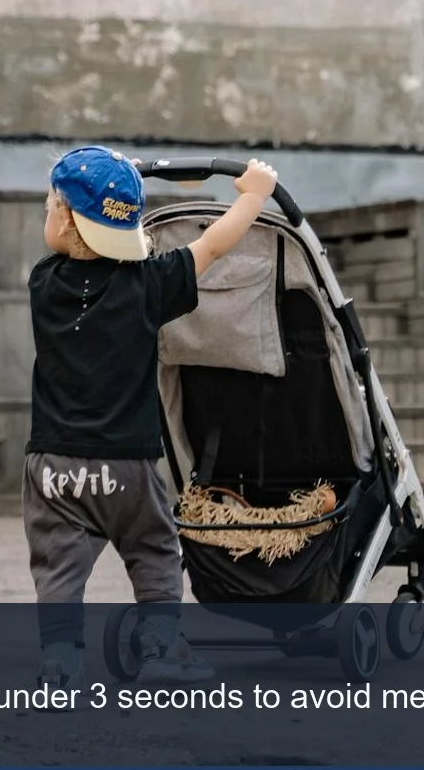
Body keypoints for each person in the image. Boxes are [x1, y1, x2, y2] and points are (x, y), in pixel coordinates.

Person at [25, 145, 280, 687]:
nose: (46, 218)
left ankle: (62, 660)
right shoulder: (147, 286)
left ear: (68, 224)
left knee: (58, 565)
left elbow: (76, 249)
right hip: (126, 463)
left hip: (52, 464)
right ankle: (162, 650)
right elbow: (210, 246)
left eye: (50, 209)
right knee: (155, 550)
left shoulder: (43, 285)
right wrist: (254, 196)